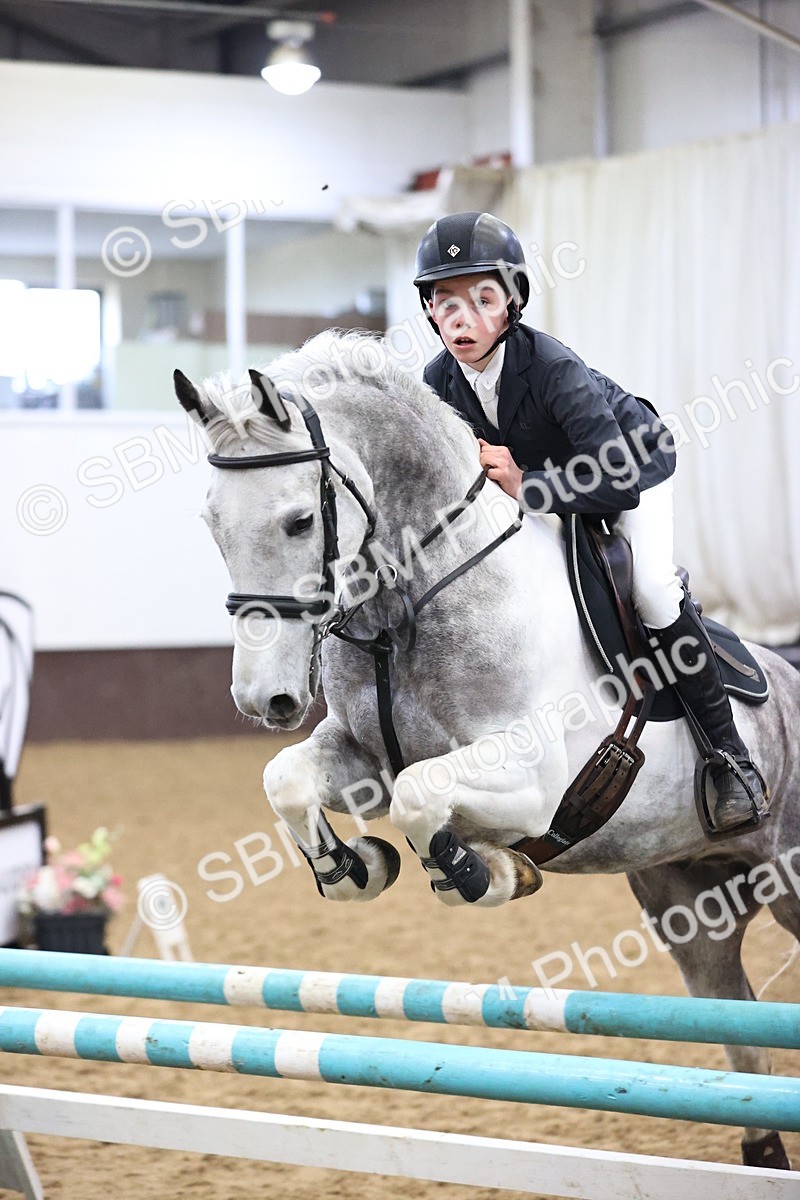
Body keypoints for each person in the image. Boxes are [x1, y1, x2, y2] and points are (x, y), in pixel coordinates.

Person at [414, 210, 765, 832]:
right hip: (552, 485)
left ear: (511, 301)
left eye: (482, 298)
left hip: (630, 468)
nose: (460, 319)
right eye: (445, 302)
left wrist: (528, 483)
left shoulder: (551, 367)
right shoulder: (437, 382)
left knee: (653, 589)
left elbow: (619, 485)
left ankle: (729, 758)